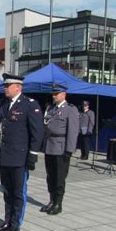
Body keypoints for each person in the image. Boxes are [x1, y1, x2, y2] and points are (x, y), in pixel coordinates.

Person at [0, 73, 44, 231]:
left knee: (18, 192)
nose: (5, 88)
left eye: (8, 86)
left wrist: (32, 155)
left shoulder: (29, 104)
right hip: (5, 155)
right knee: (7, 191)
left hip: (20, 157)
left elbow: (38, 132)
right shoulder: (3, 104)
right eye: (4, 85)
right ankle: (7, 221)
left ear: (18, 87)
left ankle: (15, 224)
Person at [40, 84, 79, 215]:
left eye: (56, 94)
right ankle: (51, 200)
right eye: (53, 94)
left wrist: (69, 150)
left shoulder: (70, 109)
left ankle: (58, 203)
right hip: (49, 146)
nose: (54, 96)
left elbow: (73, 132)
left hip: (61, 148)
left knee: (59, 177)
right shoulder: (51, 109)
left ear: (64, 94)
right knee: (50, 177)